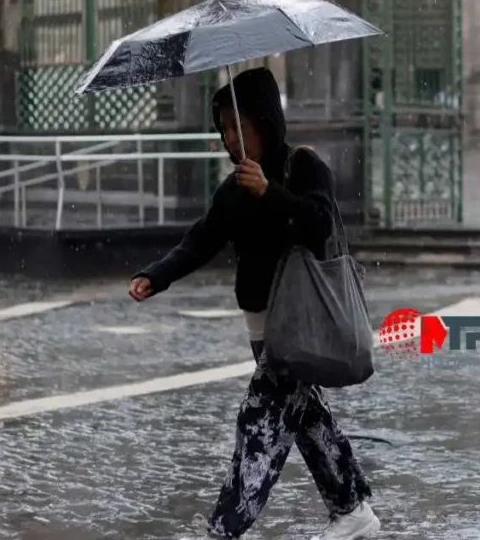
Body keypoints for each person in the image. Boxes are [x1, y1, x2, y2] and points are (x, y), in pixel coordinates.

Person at [128, 67, 379, 540]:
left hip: (299, 323)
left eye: (237, 127)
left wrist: (272, 194)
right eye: (223, 128)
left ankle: (225, 530)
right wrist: (154, 275)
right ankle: (353, 510)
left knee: (259, 421)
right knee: (305, 418)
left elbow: (321, 224)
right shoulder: (233, 189)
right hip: (262, 326)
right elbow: (201, 240)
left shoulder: (303, 167)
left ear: (264, 122)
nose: (229, 138)